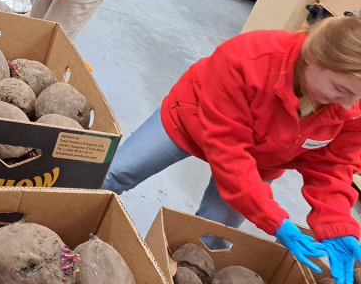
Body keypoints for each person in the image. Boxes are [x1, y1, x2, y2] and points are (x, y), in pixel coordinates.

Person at [102, 16, 361, 284]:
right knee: (114, 174)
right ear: (312, 59)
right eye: (340, 89)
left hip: (264, 158)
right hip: (193, 121)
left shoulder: (352, 107)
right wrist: (271, 217)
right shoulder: (245, 59)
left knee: (215, 236)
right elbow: (228, 151)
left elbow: (333, 167)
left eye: (357, 95)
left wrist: (337, 224)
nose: (347, 105)